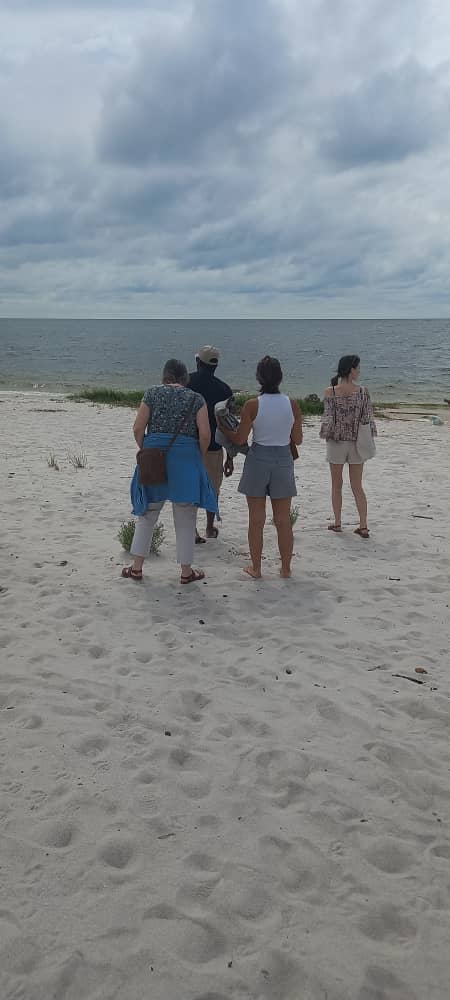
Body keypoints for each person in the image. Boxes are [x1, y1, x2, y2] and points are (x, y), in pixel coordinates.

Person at [121, 359, 218, 584]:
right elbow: (205, 435)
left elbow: (137, 428)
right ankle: (186, 572)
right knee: (185, 517)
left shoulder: (152, 394)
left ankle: (136, 568)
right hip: (186, 460)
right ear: (185, 378)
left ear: (164, 376)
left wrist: (146, 449)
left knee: (148, 514)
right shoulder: (196, 398)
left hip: (155, 456)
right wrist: (197, 455)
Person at [218, 356, 303, 579]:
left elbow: (240, 439)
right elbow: (298, 438)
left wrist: (224, 429)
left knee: (256, 519)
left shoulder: (252, 405)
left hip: (258, 460)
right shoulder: (292, 404)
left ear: (259, 378)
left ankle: (256, 567)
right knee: (283, 520)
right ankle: (285, 568)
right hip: (283, 460)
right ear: (280, 377)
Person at [319, 354, 377, 538]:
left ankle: (337, 523)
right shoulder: (362, 391)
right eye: (357, 368)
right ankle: (363, 525)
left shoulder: (330, 391)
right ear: (350, 369)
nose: (359, 371)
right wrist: (372, 436)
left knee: (336, 485)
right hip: (357, 443)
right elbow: (368, 418)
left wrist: (325, 435)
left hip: (336, 442)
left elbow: (327, 419)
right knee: (357, 486)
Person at [188, 345, 233, 542]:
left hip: (189, 444)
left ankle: (192, 529)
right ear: (215, 366)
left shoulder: (186, 382)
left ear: (198, 362)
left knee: (189, 488)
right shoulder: (224, 389)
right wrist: (230, 456)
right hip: (214, 446)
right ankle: (208, 526)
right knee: (213, 488)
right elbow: (228, 424)